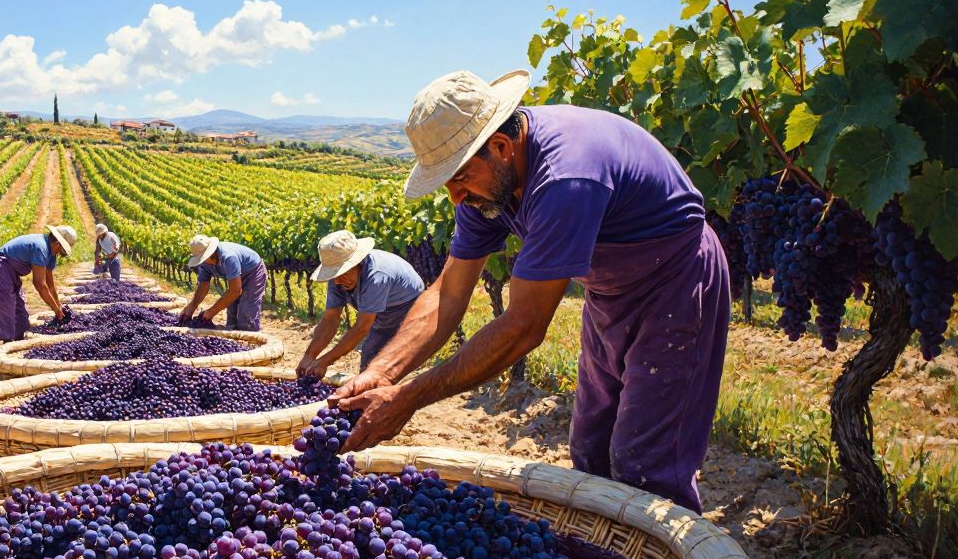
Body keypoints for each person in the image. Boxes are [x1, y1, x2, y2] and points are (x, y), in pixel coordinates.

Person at [331, 69, 730, 513]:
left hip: (676, 284)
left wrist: (408, 399)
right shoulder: (485, 181)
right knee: (591, 447)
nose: (455, 198)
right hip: (609, 293)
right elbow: (449, 292)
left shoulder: (565, 178)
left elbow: (524, 326)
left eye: (458, 180)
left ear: (501, 148)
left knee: (646, 463)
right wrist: (382, 374)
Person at [297, 230, 425, 377]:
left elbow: (362, 328)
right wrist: (309, 356)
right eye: (334, 275)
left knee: (382, 361)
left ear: (358, 262)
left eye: (341, 272)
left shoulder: (377, 276)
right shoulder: (338, 279)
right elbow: (330, 320)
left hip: (405, 305)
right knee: (370, 358)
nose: (337, 281)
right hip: (382, 307)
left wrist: (325, 361)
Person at [0, 224, 78, 342]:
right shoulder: (41, 247)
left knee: (20, 308)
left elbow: (50, 285)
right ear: (57, 243)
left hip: (12, 273)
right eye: (63, 250)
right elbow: (39, 283)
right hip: (0, 268)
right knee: (7, 306)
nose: (62, 254)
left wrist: (58, 305)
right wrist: (55, 309)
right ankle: (7, 343)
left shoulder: (51, 254)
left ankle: (18, 340)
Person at [180, 234, 267, 331]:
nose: (202, 261)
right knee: (232, 312)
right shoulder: (204, 263)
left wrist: (211, 312)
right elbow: (203, 285)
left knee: (246, 312)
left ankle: (250, 337)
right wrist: (192, 306)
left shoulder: (228, 257)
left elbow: (235, 291)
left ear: (211, 253)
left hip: (253, 272)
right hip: (237, 276)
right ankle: (234, 337)